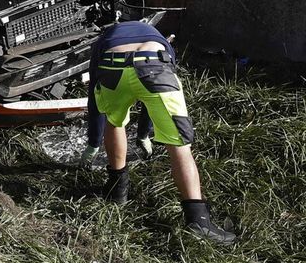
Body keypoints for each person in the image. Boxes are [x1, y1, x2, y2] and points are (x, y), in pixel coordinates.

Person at [90, 19, 236, 245]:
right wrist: (144, 134)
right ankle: (198, 221)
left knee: (114, 122)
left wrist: (93, 141)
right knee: (179, 143)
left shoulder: (104, 40)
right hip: (153, 63)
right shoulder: (158, 38)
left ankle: (116, 192)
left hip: (112, 64)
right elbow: (158, 88)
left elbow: (93, 94)